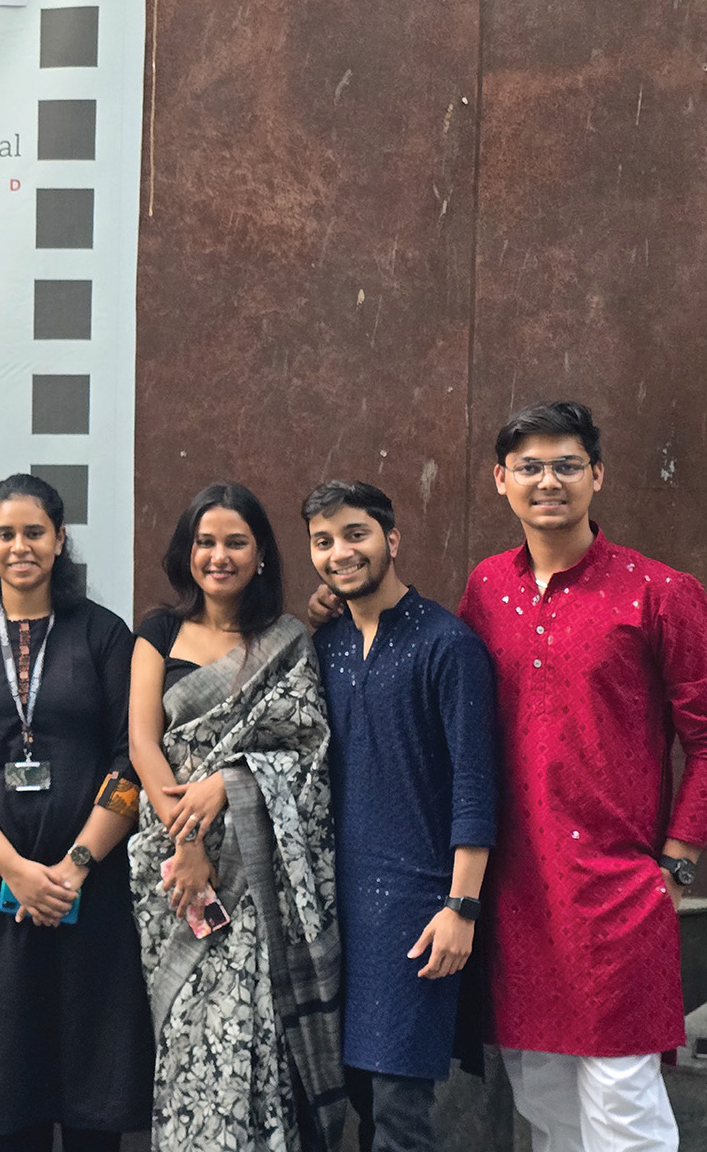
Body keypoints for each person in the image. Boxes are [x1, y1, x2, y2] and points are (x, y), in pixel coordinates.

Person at [454, 402, 707, 1152]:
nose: (548, 482)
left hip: (618, 893)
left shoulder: (658, 591)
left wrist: (677, 865)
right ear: (500, 480)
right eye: (528, 467)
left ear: (597, 475)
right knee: (544, 1101)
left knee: (622, 1106)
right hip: (517, 892)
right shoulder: (486, 588)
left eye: (566, 465)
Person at [0, 473, 152, 1152]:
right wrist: (17, 872)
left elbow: (131, 757)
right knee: (6, 1066)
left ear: (58, 540)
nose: (20, 546)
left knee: (92, 1063)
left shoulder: (102, 634)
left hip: (93, 887)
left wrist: (74, 867)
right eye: (5, 533)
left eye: (34, 532)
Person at [127, 482, 344, 1152]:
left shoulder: (286, 641)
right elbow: (142, 744)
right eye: (205, 542)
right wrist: (187, 844)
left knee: (254, 1033)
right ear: (186, 551)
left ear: (260, 554)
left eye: (235, 543)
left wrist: (229, 782)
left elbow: (307, 751)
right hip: (173, 866)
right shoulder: (158, 631)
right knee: (186, 1031)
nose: (218, 556)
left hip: (257, 871)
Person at [302, 480, 497, 1152]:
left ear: (392, 539)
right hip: (335, 912)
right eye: (323, 541)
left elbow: (475, 783)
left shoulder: (447, 644)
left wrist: (461, 907)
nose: (339, 552)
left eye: (355, 534)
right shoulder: (324, 645)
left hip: (416, 913)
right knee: (357, 1100)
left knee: (398, 1112)